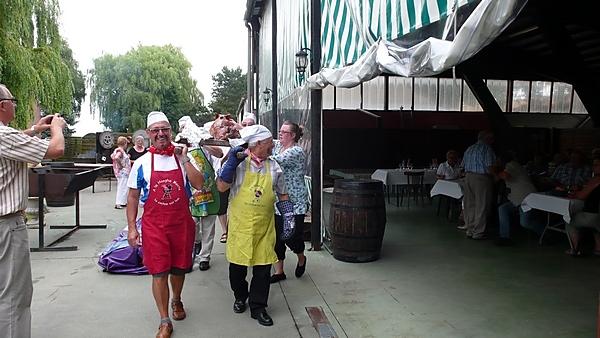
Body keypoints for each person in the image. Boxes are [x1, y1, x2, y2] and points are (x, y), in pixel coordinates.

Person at [126, 111, 205, 338]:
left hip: (181, 223)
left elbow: (199, 185)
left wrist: (185, 159)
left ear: (171, 132)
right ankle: (164, 320)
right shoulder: (141, 164)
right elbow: (132, 197)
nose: (161, 134)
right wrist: (132, 228)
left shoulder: (182, 159)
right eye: (156, 130)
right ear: (149, 134)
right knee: (159, 272)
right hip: (154, 226)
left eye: (165, 129)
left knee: (180, 268)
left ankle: (177, 300)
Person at [0, 83, 66, 338]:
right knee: (14, 297)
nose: (15, 105)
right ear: (2, 105)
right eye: (13, 101)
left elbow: (14, 140)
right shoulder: (3, 135)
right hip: (6, 226)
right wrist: (56, 129)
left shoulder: (6, 136)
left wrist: (36, 129)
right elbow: (56, 149)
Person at [217, 125, 288, 327]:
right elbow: (221, 187)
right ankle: (240, 296)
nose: (272, 146)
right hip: (240, 228)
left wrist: (289, 216)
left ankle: (258, 307)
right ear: (256, 145)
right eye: (268, 143)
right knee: (237, 269)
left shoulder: (274, 167)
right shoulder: (239, 164)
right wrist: (230, 163)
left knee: (263, 269)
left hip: (264, 228)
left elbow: (283, 193)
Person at [175, 116, 224, 272]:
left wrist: (204, 142)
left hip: (208, 189)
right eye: (181, 128)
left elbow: (219, 153)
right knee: (192, 225)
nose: (184, 131)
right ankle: (195, 246)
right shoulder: (179, 146)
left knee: (208, 225)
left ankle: (205, 257)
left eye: (186, 127)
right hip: (189, 192)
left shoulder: (203, 141)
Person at [270, 121, 309, 283]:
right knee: (278, 238)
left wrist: (253, 154)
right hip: (279, 200)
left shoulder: (296, 151)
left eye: (284, 132)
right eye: (280, 131)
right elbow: (268, 142)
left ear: (292, 135)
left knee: (290, 236)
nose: (280, 134)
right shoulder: (279, 146)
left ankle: (301, 256)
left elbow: (274, 160)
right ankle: (280, 272)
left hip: (295, 202)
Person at [494, 152, 544, 246]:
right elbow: (497, 179)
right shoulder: (510, 166)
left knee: (525, 222)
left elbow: (505, 176)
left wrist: (493, 170)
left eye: (498, 160)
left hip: (527, 198)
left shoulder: (512, 165)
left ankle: (545, 233)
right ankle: (504, 237)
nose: (497, 162)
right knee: (502, 209)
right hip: (518, 199)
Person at [462, 130, 497, 240]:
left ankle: (470, 229)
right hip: (481, 179)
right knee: (481, 205)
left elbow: (463, 164)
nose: (493, 141)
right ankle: (478, 232)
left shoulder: (469, 149)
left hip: (468, 177)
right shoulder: (487, 149)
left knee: (470, 205)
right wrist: (496, 176)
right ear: (486, 139)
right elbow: (489, 167)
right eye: (491, 138)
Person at [565, 157, 600, 256]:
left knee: (569, 220)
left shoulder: (596, 179)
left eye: (596, 165)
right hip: (597, 217)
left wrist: (574, 193)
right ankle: (598, 248)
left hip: (593, 215)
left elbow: (581, 196)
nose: (593, 167)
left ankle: (574, 249)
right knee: (595, 226)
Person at [111, 136, 131, 209]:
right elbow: (116, 157)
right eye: (126, 143)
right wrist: (121, 165)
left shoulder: (117, 150)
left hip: (122, 172)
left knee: (123, 187)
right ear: (124, 143)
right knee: (122, 187)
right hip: (123, 172)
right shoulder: (120, 151)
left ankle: (122, 202)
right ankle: (119, 203)